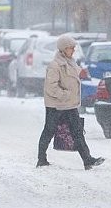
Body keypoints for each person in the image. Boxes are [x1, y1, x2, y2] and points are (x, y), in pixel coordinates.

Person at [38, 35, 104, 170]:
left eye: (73, 48)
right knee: (49, 131)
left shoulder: (71, 62)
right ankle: (41, 159)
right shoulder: (55, 65)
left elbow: (74, 75)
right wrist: (64, 95)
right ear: (63, 49)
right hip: (56, 105)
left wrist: (83, 73)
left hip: (70, 104)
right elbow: (51, 86)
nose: (73, 51)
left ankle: (87, 160)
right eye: (70, 48)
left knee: (77, 132)